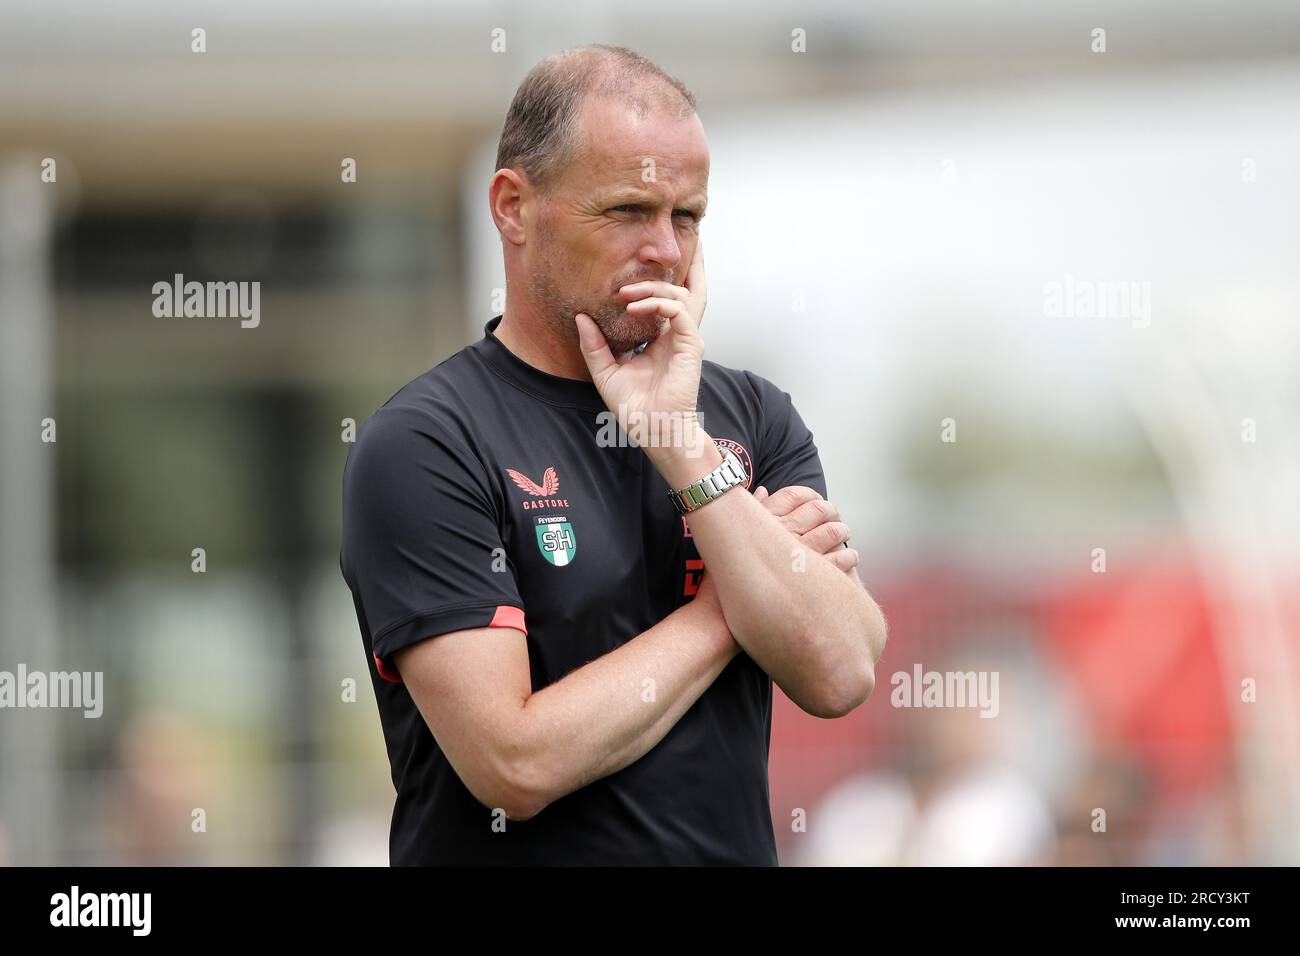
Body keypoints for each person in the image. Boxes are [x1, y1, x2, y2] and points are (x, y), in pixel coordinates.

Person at [339, 44, 888, 865]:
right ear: (514, 208)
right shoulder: (426, 442)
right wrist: (732, 607)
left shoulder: (754, 418)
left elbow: (842, 670)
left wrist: (682, 448)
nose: (666, 250)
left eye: (688, 216)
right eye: (629, 210)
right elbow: (514, 761)